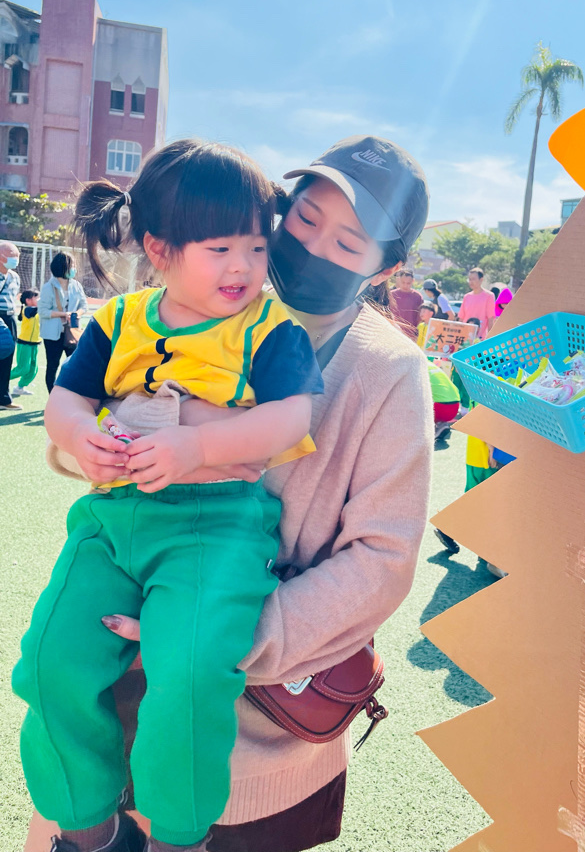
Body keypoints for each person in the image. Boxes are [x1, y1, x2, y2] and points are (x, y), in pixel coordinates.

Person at [25, 134, 433, 852]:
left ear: (385, 268)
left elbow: (383, 559)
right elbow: (84, 417)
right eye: (304, 219)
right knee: (65, 731)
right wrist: (100, 440)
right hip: (116, 677)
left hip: (259, 726)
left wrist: (224, 634)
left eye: (348, 242)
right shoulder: (206, 293)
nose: (311, 247)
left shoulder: (388, 368)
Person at [39, 251, 88, 393]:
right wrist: (63, 314)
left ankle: (72, 395)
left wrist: (76, 314)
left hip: (72, 332)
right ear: (63, 267)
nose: (74, 269)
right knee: (52, 365)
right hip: (52, 334)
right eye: (72, 266)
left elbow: (84, 306)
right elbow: (43, 311)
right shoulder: (48, 287)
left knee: (74, 365)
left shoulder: (76, 285)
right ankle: (52, 396)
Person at [0, 239, 22, 409]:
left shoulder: (15, 277)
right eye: (12, 255)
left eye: (17, 255)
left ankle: (4, 398)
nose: (16, 258)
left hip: (10, 318)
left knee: (7, 357)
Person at [11, 288, 40, 396]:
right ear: (28, 300)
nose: (38, 300)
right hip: (24, 343)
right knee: (22, 368)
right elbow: (33, 311)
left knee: (33, 369)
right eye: (36, 298)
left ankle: (20, 387)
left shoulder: (37, 310)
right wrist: (43, 303)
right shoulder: (27, 310)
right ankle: (3, 378)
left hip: (35, 343)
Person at [458, 267, 496, 339]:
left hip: (480, 338)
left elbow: (490, 319)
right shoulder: (467, 297)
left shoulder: (489, 296)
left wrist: (490, 338)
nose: (471, 282)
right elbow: (461, 318)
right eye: (469, 279)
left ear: (481, 280)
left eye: (473, 279)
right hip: (465, 337)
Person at [388, 267, 422, 339]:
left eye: (408, 283)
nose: (405, 285)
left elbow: (420, 317)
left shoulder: (418, 297)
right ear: (399, 280)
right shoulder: (392, 294)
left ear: (413, 281)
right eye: (403, 282)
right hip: (393, 331)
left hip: (410, 334)